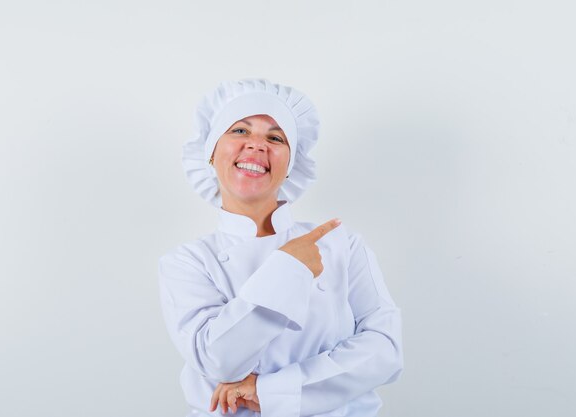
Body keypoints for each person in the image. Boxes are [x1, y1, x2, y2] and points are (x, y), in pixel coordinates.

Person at [159, 79, 403, 417]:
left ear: (291, 166)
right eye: (240, 131)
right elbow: (217, 360)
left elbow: (384, 350)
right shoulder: (187, 262)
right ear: (211, 153)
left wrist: (268, 391)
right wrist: (289, 267)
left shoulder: (340, 243)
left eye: (275, 138)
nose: (257, 145)